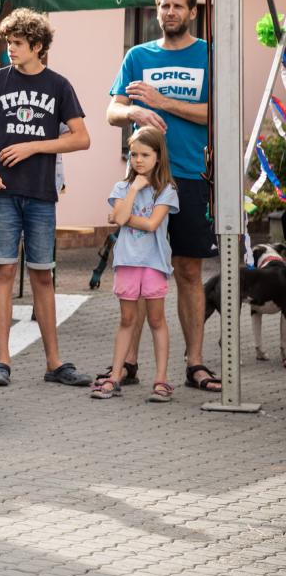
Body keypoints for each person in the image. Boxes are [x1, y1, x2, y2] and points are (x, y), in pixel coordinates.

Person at [0, 8, 92, 387]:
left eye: (17, 43)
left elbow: (81, 138)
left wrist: (34, 146)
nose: (10, 49)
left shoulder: (59, 86)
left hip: (40, 195)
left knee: (42, 276)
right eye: (8, 42)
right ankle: (1, 361)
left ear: (37, 45)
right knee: (3, 271)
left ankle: (54, 363)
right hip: (2, 193)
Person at [106, 0, 219, 393]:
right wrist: (133, 111)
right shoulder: (138, 56)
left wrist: (161, 101)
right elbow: (111, 110)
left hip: (191, 175)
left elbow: (218, 113)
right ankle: (128, 363)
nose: (170, 12)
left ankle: (195, 363)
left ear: (193, 12)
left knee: (188, 270)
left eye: (177, 6)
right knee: (139, 269)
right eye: (164, 6)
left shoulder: (209, 54)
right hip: (143, 180)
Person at [91, 127, 179, 402]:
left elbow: (151, 224)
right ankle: (115, 376)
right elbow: (120, 217)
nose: (138, 160)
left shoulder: (166, 190)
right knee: (127, 320)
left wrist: (122, 216)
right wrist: (134, 189)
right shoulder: (122, 187)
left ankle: (161, 380)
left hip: (154, 263)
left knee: (156, 320)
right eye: (134, 155)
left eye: (145, 155)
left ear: (158, 156)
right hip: (127, 261)